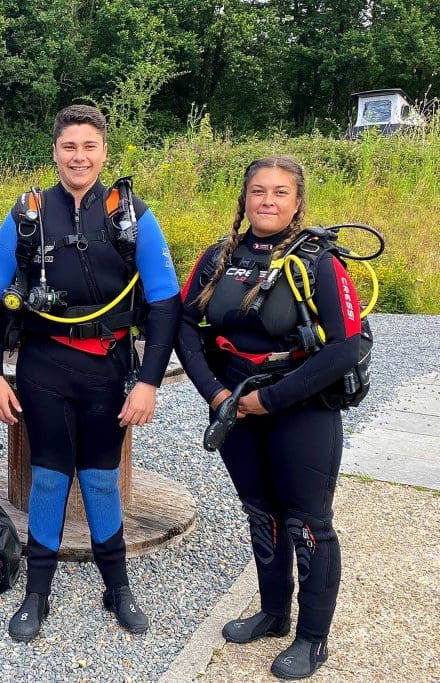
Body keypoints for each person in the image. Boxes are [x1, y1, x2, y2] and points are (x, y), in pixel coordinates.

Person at [0, 104, 181, 642]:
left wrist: (149, 382)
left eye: (89, 146)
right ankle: (37, 593)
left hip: (109, 368)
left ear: (104, 152)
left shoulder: (131, 215)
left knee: (98, 476)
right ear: (55, 152)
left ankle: (117, 588)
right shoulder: (27, 214)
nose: (79, 156)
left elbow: (164, 302)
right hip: (45, 364)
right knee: (47, 475)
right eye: (70, 146)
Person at [176, 156, 362, 679]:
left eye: (281, 193)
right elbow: (184, 326)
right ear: (244, 197)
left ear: (298, 201)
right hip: (234, 405)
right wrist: (215, 393)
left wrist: (272, 400)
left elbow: (347, 347)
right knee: (263, 514)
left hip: (299, 409)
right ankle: (274, 612)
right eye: (258, 191)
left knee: (308, 525)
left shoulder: (320, 262)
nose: (268, 202)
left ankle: (313, 638)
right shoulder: (219, 256)